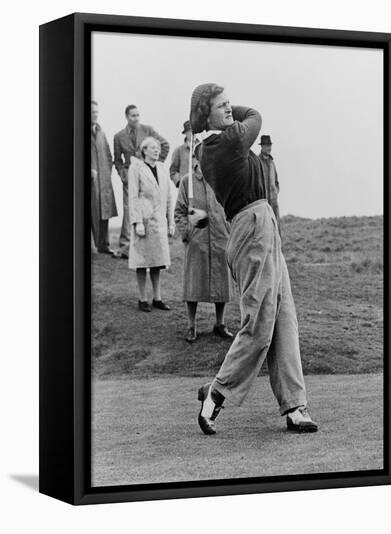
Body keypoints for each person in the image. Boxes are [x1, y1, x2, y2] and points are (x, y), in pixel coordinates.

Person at [190, 83, 318, 435]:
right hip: (251, 227)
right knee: (260, 326)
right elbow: (255, 116)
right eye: (221, 106)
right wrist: (225, 114)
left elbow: (245, 119)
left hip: (265, 225)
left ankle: (295, 406)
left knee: (284, 318)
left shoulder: (227, 140)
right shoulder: (218, 145)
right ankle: (216, 393)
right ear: (206, 115)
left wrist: (220, 108)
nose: (230, 110)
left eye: (230, 104)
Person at [174, 160, 234, 343]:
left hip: (220, 238)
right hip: (197, 240)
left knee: (221, 282)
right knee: (194, 283)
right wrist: (187, 233)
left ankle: (220, 323)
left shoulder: (222, 179)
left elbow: (231, 206)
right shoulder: (187, 182)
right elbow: (179, 211)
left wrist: (229, 229)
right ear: (196, 158)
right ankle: (191, 326)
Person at [113, 105, 170, 259]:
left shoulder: (148, 130)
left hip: (145, 176)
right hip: (129, 177)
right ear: (126, 117)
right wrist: (123, 174)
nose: (136, 118)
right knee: (129, 208)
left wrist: (155, 164)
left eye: (138, 115)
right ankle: (125, 247)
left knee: (148, 208)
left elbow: (164, 145)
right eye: (133, 115)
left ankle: (148, 243)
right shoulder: (119, 136)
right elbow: (117, 160)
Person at [128, 137, 175, 312]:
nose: (156, 150)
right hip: (144, 222)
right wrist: (137, 221)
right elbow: (133, 197)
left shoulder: (162, 169)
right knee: (142, 261)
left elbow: (169, 197)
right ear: (144, 151)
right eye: (152, 148)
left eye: (157, 148)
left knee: (157, 261)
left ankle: (157, 298)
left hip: (159, 223)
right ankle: (142, 298)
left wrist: (171, 222)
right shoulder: (136, 168)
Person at [90, 100, 118, 254]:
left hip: (104, 180)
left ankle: (104, 245)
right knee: (91, 212)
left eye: (96, 112)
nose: (95, 115)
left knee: (104, 212)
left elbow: (108, 154)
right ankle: (92, 246)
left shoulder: (101, 132)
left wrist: (107, 172)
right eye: (92, 112)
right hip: (91, 181)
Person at [258, 135, 281, 232]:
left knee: (275, 230)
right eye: (267, 145)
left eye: (270, 145)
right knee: (263, 231)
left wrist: (275, 193)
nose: (269, 148)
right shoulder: (257, 162)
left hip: (273, 203)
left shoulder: (272, 163)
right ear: (262, 147)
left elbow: (276, 182)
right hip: (262, 204)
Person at [169, 120, 192, 187]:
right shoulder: (178, 150)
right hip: (186, 189)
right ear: (185, 133)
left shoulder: (203, 149)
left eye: (195, 131)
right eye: (190, 131)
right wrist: (180, 182)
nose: (193, 133)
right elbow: (173, 171)